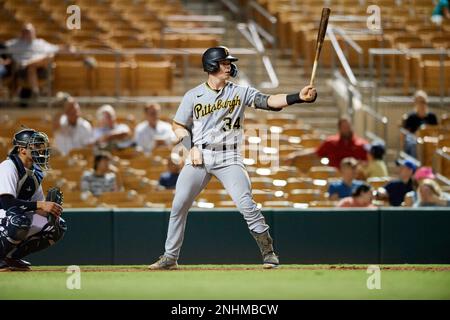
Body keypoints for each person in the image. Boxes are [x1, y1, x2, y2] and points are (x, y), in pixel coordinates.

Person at [148, 46, 317, 270]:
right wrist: (191, 147)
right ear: (211, 65)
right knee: (179, 205)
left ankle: (269, 252)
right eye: (224, 62)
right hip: (200, 155)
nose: (228, 65)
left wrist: (298, 97)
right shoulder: (193, 95)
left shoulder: (239, 92)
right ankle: (170, 257)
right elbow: (177, 125)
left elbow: (269, 101)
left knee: (246, 204)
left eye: (229, 62)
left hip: (229, 156)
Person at [0, 129, 66, 271]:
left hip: (10, 216)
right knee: (18, 221)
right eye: (36, 146)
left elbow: (39, 208)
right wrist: (41, 205)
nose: (41, 150)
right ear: (22, 149)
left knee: (56, 225)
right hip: (4, 213)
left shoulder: (35, 173)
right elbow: (6, 203)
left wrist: (50, 211)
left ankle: (10, 258)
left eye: (41, 147)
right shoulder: (9, 166)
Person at [5, 23, 59, 98]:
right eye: (25, 31)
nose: (27, 33)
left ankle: (35, 91)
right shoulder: (15, 43)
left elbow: (56, 48)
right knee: (31, 68)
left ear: (34, 32)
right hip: (22, 70)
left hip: (41, 69)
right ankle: (35, 92)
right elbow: (3, 47)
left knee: (49, 57)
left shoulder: (41, 43)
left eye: (29, 31)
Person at [402, 90, 438, 158]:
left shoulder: (432, 116)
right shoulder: (410, 117)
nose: (422, 104)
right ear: (415, 103)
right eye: (419, 102)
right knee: (411, 141)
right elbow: (405, 135)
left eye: (424, 102)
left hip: (429, 141)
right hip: (415, 142)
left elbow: (436, 132)